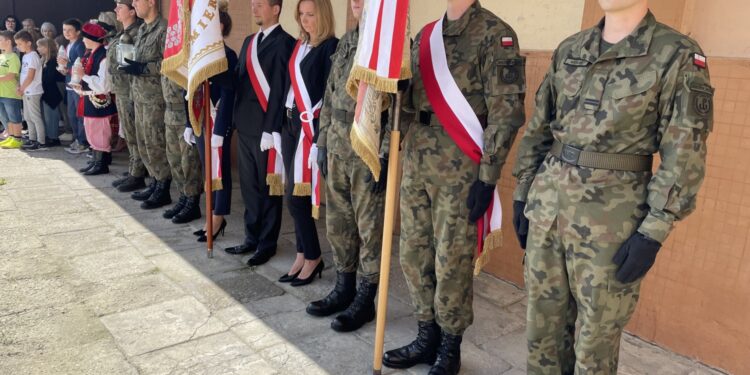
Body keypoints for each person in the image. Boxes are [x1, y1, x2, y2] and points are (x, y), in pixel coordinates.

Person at [511, 0, 713, 373]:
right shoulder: (571, 49)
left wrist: (654, 230)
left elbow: (684, 151)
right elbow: (541, 126)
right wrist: (524, 190)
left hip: (611, 225)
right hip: (547, 209)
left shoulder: (676, 54)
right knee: (542, 331)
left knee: (595, 343)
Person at [382, 1, 526, 374]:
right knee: (413, 254)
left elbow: (506, 113)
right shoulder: (425, 36)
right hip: (417, 158)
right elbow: (407, 102)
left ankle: (449, 345)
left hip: (461, 165)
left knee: (451, 261)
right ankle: (425, 334)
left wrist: (488, 176)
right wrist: (385, 150)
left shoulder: (497, 34)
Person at [306, 0, 388, 332]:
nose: (356, 3)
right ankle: (344, 287)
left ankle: (366, 299)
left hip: (366, 149)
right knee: (338, 222)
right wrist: (322, 141)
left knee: (369, 229)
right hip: (338, 146)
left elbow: (398, 108)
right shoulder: (346, 42)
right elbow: (329, 95)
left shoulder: (387, 46)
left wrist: (382, 153)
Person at [222, 0, 295, 262]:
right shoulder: (250, 41)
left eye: (260, 4)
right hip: (245, 124)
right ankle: (250, 238)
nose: (254, 8)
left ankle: (267, 243)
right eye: (253, 4)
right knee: (250, 189)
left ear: (276, 9)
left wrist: (271, 128)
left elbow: (279, 89)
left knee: (268, 190)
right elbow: (240, 79)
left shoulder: (286, 43)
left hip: (267, 129)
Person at [278, 0, 337, 286]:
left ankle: (313, 256)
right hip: (289, 124)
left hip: (309, 129)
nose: (304, 20)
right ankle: (302, 253)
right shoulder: (300, 46)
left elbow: (329, 96)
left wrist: (318, 137)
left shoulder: (330, 48)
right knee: (293, 197)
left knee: (295, 197)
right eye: (301, 15)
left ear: (322, 16)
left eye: (310, 14)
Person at [191, 2, 237, 241]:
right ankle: (210, 214)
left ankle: (219, 216)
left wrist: (221, 129)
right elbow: (190, 87)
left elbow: (229, 93)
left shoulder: (227, 55)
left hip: (218, 122)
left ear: (219, 26)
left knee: (220, 171)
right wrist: (190, 124)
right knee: (207, 169)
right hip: (201, 120)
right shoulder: (199, 53)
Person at [121, 0, 172, 210]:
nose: (134, 4)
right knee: (143, 142)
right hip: (139, 96)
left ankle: (163, 187)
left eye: (137, 1)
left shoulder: (164, 29)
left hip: (155, 99)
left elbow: (169, 62)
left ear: (151, 2)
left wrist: (142, 68)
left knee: (156, 143)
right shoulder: (143, 28)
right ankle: (154, 181)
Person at [160, 59, 203, 223]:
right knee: (174, 160)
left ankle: (192, 203)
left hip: (184, 115)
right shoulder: (171, 51)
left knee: (189, 162)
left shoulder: (188, 53)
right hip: (170, 113)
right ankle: (183, 197)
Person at [110, 0, 146, 193]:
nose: (116, 9)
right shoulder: (122, 33)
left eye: (120, 7)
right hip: (122, 90)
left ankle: (138, 174)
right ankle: (134, 169)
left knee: (133, 134)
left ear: (132, 12)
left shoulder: (135, 33)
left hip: (131, 91)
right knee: (129, 134)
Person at [73, 21, 117, 176]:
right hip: (90, 99)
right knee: (92, 131)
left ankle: (101, 164)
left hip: (99, 101)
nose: (83, 40)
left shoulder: (102, 57)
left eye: (85, 37)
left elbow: (104, 85)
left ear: (91, 39)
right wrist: (80, 84)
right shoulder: (91, 54)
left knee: (100, 133)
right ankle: (96, 161)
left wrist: (84, 77)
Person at [58, 18, 88, 154]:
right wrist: (65, 68)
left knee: (79, 115)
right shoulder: (68, 45)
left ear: (78, 31)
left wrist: (67, 65)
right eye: (64, 30)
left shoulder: (80, 45)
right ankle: (77, 140)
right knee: (72, 115)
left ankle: (82, 142)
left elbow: (82, 64)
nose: (66, 32)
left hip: (77, 86)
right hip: (70, 84)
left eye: (70, 30)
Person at [14, 30, 46, 151]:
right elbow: (23, 74)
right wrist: (19, 86)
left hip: (32, 91)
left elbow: (31, 76)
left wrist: (22, 88)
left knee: (35, 117)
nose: (18, 46)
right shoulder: (26, 56)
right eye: (16, 44)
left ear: (28, 43)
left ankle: (41, 141)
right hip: (26, 91)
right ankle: (32, 139)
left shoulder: (33, 56)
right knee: (27, 116)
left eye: (20, 44)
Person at [37, 37, 65, 147]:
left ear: (47, 47)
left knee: (51, 116)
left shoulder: (53, 60)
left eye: (40, 46)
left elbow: (50, 77)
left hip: (52, 92)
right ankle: (49, 136)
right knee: (47, 115)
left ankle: (54, 138)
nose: (38, 48)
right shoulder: (44, 59)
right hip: (46, 91)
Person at [0, 30, 23, 149]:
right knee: (5, 117)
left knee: (14, 117)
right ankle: (11, 137)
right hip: (1, 93)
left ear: (8, 42)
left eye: (0, 40)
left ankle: (18, 139)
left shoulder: (13, 57)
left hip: (10, 93)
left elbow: (11, 75)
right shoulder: (1, 56)